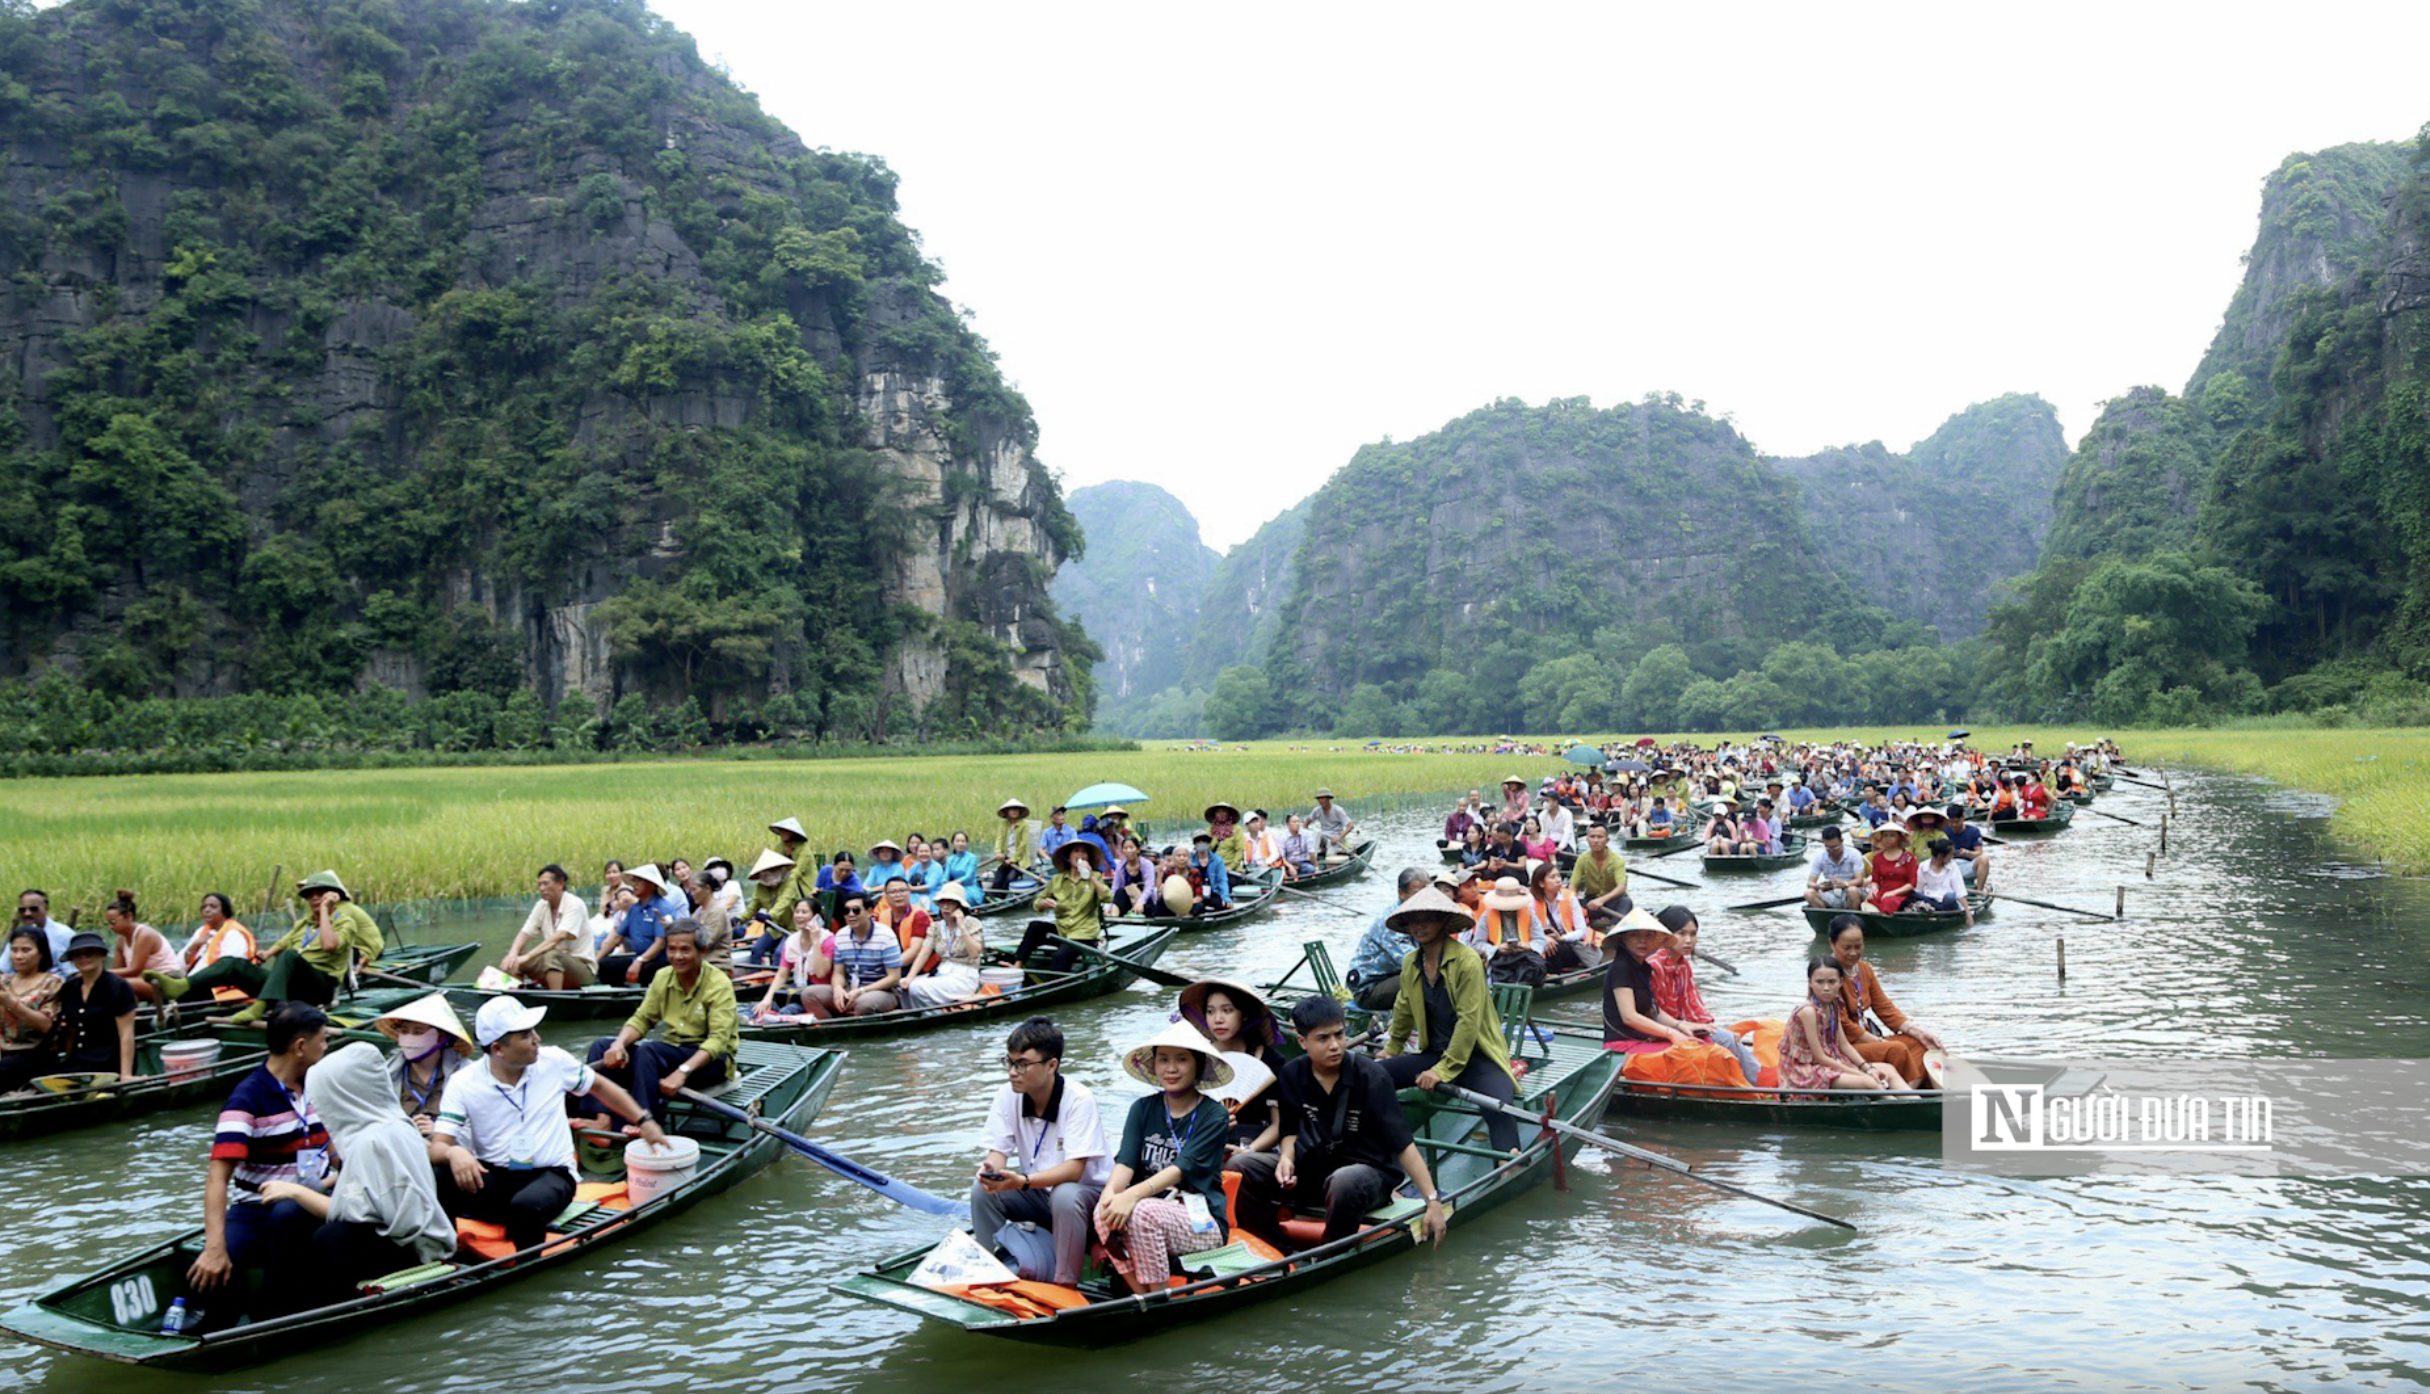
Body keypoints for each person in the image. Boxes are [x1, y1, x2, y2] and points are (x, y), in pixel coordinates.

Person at [434, 996, 664, 1252]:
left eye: (533, 1031)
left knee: (526, 1206)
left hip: (551, 1174)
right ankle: (449, 1255)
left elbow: (600, 1086)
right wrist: (455, 1152)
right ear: (498, 1049)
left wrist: (644, 1120)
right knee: (437, 1177)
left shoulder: (553, 1061)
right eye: (525, 1035)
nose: (537, 1039)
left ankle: (524, 1266)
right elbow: (437, 1147)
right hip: (497, 1175)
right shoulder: (463, 1082)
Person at [1227, 995, 1448, 1252]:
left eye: (1339, 1035)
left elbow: (1403, 1145)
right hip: (1313, 1170)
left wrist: (1432, 1201)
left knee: (1345, 1180)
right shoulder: (1291, 1075)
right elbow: (1288, 1128)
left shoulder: (1371, 1076)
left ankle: (1329, 1255)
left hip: (1368, 1177)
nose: (1335, 1045)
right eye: (1323, 1038)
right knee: (1239, 1166)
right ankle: (1276, 1251)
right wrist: (1286, 1158)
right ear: (1302, 1042)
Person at [187, 1003, 333, 1321]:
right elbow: (217, 1178)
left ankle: (271, 1313)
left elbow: (340, 1155)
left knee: (289, 1213)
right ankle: (213, 1325)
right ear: (300, 1046)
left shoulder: (322, 1087)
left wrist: (331, 1182)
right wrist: (215, 1247)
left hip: (311, 1201)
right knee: (222, 1259)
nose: (325, 1047)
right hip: (254, 1207)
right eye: (322, 1040)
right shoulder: (246, 1099)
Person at [280, 1040, 457, 1299]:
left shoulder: (371, 1141)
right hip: (409, 1234)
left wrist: (295, 1192)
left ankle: (339, 1306)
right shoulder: (393, 1124)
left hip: (416, 1250)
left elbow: (349, 1214)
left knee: (328, 1237)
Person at [1093, 1021, 1235, 1292]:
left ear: (1197, 1065)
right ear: (1154, 1065)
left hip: (1200, 1220)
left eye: (1181, 1059)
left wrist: (1131, 1196)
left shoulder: (1214, 1115)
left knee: (1144, 1211)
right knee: (1103, 1211)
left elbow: (1182, 1168)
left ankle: (1159, 1297)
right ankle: (1140, 1294)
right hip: (1150, 1208)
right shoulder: (1142, 1108)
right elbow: (1125, 1161)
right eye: (1164, 1060)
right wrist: (1111, 1194)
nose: (1171, 1069)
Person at [970, 1017, 1111, 1285]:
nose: (1012, 1071)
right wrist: (991, 1172)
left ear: (1052, 1066)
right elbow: (997, 1151)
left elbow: (1075, 1170)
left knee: (1065, 1194)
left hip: (1089, 1202)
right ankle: (990, 1273)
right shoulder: (1006, 1095)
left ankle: (1065, 1284)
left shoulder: (1078, 1099)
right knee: (982, 1192)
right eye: (1009, 1062)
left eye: (1022, 1064)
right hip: (1039, 1195)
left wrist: (1023, 1182)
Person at [1383, 887, 1522, 1152]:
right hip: (1435, 1053)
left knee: (1499, 1105)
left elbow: (1468, 1022)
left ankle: (1508, 1162)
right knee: (1374, 1077)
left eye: (1428, 919)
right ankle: (1389, 1143)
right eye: (1414, 919)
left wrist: (1441, 1072)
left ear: (1443, 922)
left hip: (1476, 1057)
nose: (1419, 926)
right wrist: (1392, 1048)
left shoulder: (1467, 961)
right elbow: (1403, 1008)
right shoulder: (1411, 962)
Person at [151, 871, 382, 1024]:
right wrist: (269, 952)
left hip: (320, 986)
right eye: (310, 896)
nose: (314, 899)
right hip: (294, 985)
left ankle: (261, 1006)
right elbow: (285, 941)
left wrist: (324, 911)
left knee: (290, 956)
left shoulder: (345, 920)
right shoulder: (304, 923)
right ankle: (181, 986)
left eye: (320, 895)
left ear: (333, 897)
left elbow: (330, 945)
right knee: (235, 965)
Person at [588, 920, 737, 1121]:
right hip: (672, 1052)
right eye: (672, 949)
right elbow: (643, 1019)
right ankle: (601, 1121)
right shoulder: (662, 977)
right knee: (601, 1047)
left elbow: (717, 1042)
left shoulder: (719, 984)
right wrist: (619, 1044)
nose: (677, 956)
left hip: (710, 1063)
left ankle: (646, 1121)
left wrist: (682, 1072)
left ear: (701, 951)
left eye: (685, 950)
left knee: (649, 1051)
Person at [1645, 907, 1760, 1084]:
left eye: (1693, 934)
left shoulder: (1683, 966)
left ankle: (1756, 1079)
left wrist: (1710, 1027)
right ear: (1666, 935)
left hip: (1682, 1026)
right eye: (1681, 934)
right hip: (1661, 1030)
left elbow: (1693, 1005)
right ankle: (1757, 1084)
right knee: (1727, 1039)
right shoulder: (1654, 966)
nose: (1688, 940)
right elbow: (1653, 1011)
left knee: (1728, 1037)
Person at [1826, 917, 1944, 1086]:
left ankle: (1909, 1091)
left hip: (1867, 1039)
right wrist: (1880, 1042)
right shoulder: (1828, 976)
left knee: (1920, 1044)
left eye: (1858, 946)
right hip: (1846, 1046)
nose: (1853, 953)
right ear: (1832, 943)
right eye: (1846, 948)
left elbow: (1885, 1008)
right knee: (1896, 1049)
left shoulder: (1864, 969)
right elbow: (1844, 1026)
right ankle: (1906, 1096)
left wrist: (1918, 1031)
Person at [1177, 978, 1286, 1152]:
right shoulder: (1197, 1059)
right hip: (1202, 1145)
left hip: (1255, 1148)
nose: (1218, 1019)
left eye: (1227, 1010)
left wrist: (1248, 1151)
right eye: (1210, 1011)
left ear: (1244, 1014)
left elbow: (1278, 1125)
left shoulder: (1270, 1061)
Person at [1779, 956, 1904, 1093]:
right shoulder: (1808, 1012)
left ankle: (1914, 1103)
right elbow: (1819, 1057)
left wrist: (1868, 1068)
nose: (1826, 988)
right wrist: (1862, 1075)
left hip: (1832, 1062)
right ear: (1810, 983)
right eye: (1820, 982)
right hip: (1804, 1071)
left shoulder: (1834, 1007)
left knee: (1889, 1070)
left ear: (1840, 982)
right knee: (1869, 1083)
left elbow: (1844, 1045)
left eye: (1832, 982)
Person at [375, 993, 476, 1145]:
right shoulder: (385, 1074)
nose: (409, 1038)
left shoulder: (467, 1074)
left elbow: (479, 1129)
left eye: (418, 1032)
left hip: (449, 1156)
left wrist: (441, 1133)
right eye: (404, 1031)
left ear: (441, 1037)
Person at [53, 931, 137, 1078]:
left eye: (89, 952)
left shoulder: (118, 987)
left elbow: (126, 1034)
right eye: (77, 954)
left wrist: (126, 1075)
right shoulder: (70, 987)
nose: (83, 957)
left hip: (109, 1061)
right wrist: (67, 1058)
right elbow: (71, 1030)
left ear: (102, 955)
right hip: (78, 1060)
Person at [805, 894, 903, 1018]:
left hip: (883, 991)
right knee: (809, 994)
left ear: (869, 912)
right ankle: (830, 1029)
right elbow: (838, 973)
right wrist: (837, 989)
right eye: (846, 911)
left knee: (864, 1003)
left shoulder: (886, 936)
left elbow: (894, 978)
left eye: (856, 910)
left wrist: (862, 991)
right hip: (851, 988)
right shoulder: (841, 935)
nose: (851, 914)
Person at [1345, 868, 1429, 1012]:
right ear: (1401, 893)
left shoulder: (1416, 915)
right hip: (1368, 989)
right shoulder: (1392, 921)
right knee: (1421, 978)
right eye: (1416, 895)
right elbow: (1412, 962)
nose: (1422, 900)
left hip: (1391, 977)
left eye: (1425, 894)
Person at [500, 864, 593, 989]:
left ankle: (556, 998)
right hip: (551, 964)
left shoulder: (574, 904)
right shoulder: (542, 905)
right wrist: (513, 955)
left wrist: (527, 957)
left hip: (581, 969)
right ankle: (517, 994)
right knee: (517, 955)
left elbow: (559, 937)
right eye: (539, 885)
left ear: (560, 884)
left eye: (545, 884)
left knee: (552, 954)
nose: (541, 888)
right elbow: (525, 932)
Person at [596, 863, 683, 989]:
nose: (634, 885)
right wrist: (595, 960)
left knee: (647, 969)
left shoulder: (662, 907)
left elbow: (660, 943)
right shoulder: (635, 909)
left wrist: (640, 961)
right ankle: (620, 996)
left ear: (651, 884)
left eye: (639, 881)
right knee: (605, 966)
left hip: (660, 960)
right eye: (634, 881)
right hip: (639, 956)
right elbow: (617, 937)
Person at [903, 883, 986, 1007]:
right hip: (942, 973)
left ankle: (929, 1014)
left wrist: (962, 926)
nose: (946, 907)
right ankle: (915, 1015)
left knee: (916, 988)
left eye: (951, 903)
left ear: (959, 905)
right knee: (903, 986)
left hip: (965, 976)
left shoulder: (972, 923)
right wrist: (909, 978)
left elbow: (974, 953)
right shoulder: (935, 927)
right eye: (943, 902)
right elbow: (924, 953)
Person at [0, 926, 60, 1093]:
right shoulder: (3, 982)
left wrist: (10, 1002)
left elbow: (46, 1025)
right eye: (14, 950)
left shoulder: (52, 984)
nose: (18, 956)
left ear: (41, 953)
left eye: (26, 950)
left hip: (35, 1057)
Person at [752, 898, 833, 1018]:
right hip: (798, 992)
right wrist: (767, 999)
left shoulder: (828, 940)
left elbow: (821, 973)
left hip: (818, 994)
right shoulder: (792, 941)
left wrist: (815, 941)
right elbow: (782, 975)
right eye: (797, 912)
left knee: (788, 1011)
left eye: (804, 912)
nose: (799, 916)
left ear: (816, 917)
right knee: (760, 1009)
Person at [1465, 875, 1545, 988]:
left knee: (1535, 969)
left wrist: (1527, 946)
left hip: (1525, 956)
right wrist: (1497, 949)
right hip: (1500, 959)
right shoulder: (1487, 915)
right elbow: (1478, 944)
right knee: (1500, 977)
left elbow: (1540, 940)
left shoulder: (1529, 913)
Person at [103, 889, 183, 1003]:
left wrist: (99, 973)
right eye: (108, 923)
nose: (110, 927)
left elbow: (134, 970)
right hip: (145, 982)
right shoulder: (120, 941)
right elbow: (117, 972)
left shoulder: (144, 935)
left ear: (129, 916)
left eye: (113, 922)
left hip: (168, 981)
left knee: (122, 985)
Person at [1532, 860, 1597, 975]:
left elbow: (1582, 931)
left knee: (1557, 949)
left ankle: (1555, 975)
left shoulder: (1570, 897)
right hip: (1544, 942)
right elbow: (1528, 929)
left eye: (1558, 876)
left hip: (1569, 943)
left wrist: (1561, 938)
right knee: (1546, 948)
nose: (1558, 880)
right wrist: (1543, 938)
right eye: (1552, 877)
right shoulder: (1531, 901)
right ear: (1541, 883)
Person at [740, 848, 801, 965]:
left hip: (793, 928)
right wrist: (739, 919)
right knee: (756, 950)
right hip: (775, 928)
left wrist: (769, 915)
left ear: (780, 870)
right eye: (764, 873)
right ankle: (756, 978)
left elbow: (784, 901)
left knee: (779, 953)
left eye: (771, 871)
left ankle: (776, 981)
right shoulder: (761, 887)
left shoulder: (790, 881)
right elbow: (753, 907)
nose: (767, 876)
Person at [1569, 824, 1631, 927]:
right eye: (1592, 837)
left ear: (1607, 840)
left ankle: (1615, 930)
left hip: (1612, 902)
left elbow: (1621, 888)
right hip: (1591, 902)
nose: (1596, 841)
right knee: (1570, 904)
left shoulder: (1617, 860)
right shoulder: (1582, 859)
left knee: (1626, 902)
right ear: (1587, 839)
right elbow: (1573, 885)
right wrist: (1572, 899)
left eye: (1600, 837)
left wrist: (1601, 900)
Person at [180, 893, 256, 975]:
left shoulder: (234, 934)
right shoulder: (201, 931)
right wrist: (194, 945)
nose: (207, 910)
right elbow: (179, 964)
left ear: (224, 911)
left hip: (219, 985)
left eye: (213, 907)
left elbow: (228, 967)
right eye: (204, 907)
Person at [873, 877, 934, 973]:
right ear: (885, 895)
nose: (898, 895)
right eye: (893, 892)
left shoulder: (919, 915)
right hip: (891, 962)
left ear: (909, 892)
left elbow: (914, 951)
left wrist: (886, 966)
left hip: (916, 966)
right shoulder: (881, 916)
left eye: (902, 891)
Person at [679, 869, 735, 973]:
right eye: (690, 890)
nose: (691, 894)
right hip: (698, 963)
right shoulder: (699, 911)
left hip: (716, 964)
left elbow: (706, 941)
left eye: (694, 890)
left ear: (707, 889)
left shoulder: (717, 911)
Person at [1805, 825, 1869, 909]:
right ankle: (1826, 916)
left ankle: (1852, 918)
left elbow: (1859, 880)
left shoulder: (1854, 854)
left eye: (1835, 847)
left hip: (1852, 890)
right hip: (1832, 892)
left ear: (1841, 841)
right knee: (1808, 893)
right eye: (1828, 847)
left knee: (1852, 891)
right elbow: (1810, 883)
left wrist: (1845, 884)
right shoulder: (1820, 858)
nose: (1831, 851)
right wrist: (1819, 886)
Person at [1862, 823, 1919, 914]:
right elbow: (1875, 880)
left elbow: (1912, 883)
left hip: (1902, 893)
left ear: (1899, 838)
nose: (1888, 839)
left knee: (1888, 902)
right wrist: (1874, 888)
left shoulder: (1908, 857)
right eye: (1885, 836)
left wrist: (1893, 893)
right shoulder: (1878, 858)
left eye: (1892, 836)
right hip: (1883, 892)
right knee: (1868, 901)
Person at [1911, 840, 1973, 921]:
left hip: (1948, 903)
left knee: (1950, 897)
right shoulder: (1923, 867)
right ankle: (1933, 912)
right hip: (1931, 902)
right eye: (1951, 855)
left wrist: (1968, 915)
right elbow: (1919, 890)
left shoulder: (1953, 866)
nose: (1952, 857)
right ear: (1941, 856)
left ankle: (1938, 913)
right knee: (1914, 894)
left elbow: (1960, 892)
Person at [14, 890, 71, 973]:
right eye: (22, 910)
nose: (27, 913)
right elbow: (3, 968)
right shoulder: (19, 936)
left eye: (33, 909)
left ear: (46, 908)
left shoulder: (63, 935)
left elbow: (73, 973)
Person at [1943, 803, 1992, 892]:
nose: (1954, 825)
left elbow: (1979, 852)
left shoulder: (1974, 831)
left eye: (1956, 821)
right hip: (1949, 866)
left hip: (1967, 865)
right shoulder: (1944, 831)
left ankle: (1979, 891)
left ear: (1962, 818)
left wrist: (1967, 853)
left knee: (1984, 859)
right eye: (1951, 822)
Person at [993, 799, 1039, 894]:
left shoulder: (1024, 825)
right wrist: (998, 852)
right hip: (1005, 858)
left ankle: (1001, 898)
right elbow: (999, 839)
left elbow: (1023, 845)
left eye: (1016, 809)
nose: (1014, 811)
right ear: (1007, 812)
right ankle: (993, 896)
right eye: (1011, 809)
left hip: (1020, 860)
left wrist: (1012, 860)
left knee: (1010, 878)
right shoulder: (1004, 825)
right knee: (999, 876)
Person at [1108, 837, 1160, 915]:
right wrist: (1109, 906)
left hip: (1145, 901)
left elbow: (1149, 887)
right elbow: (1115, 887)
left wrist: (1140, 902)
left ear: (1138, 850)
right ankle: (1114, 916)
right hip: (1128, 900)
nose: (1129, 850)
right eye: (1126, 848)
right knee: (1120, 892)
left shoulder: (1147, 865)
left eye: (1131, 847)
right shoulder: (1120, 866)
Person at [1183, 833, 1233, 912]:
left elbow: (1222, 880)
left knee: (1223, 905)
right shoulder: (1190, 860)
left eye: (1204, 841)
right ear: (1195, 844)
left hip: (1212, 893)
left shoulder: (1217, 860)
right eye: (1198, 841)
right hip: (1195, 894)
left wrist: (1225, 897)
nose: (1201, 843)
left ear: (1208, 843)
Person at [1308, 788, 1358, 861]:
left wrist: (1339, 837)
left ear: (1328, 799)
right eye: (1319, 799)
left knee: (1330, 856)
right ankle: (1314, 859)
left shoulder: (1338, 810)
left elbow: (1350, 826)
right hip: (1324, 837)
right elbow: (1306, 823)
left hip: (1335, 839)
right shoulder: (1316, 810)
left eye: (1322, 798)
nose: (1320, 801)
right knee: (1317, 834)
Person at [1204, 802, 1249, 875]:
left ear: (1228, 814)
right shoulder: (1209, 831)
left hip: (1232, 870)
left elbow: (1239, 851)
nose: (1221, 814)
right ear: (1214, 814)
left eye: (1224, 811)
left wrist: (1230, 867)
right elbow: (1206, 850)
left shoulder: (1237, 829)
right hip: (1214, 868)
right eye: (1218, 812)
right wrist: (1217, 837)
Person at [1277, 814, 1319, 879]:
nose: (1297, 824)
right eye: (1294, 822)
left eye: (1298, 821)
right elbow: (1282, 857)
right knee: (1281, 873)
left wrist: (1316, 867)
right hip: (1289, 863)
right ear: (1288, 824)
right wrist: (1290, 866)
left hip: (1303, 862)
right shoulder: (1282, 837)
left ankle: (1300, 878)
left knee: (1310, 869)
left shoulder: (1307, 834)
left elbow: (1311, 853)